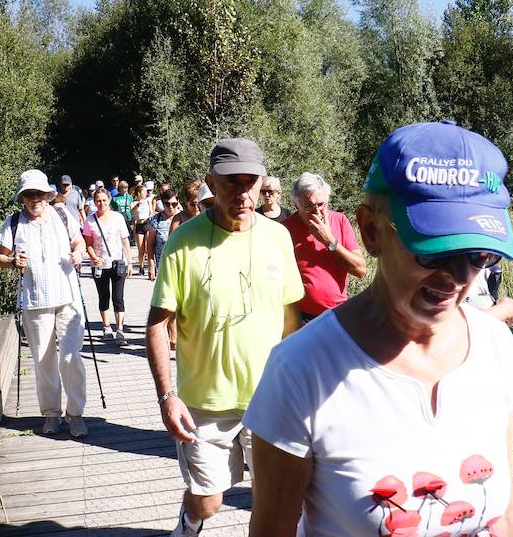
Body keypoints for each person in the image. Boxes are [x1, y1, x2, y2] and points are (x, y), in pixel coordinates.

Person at [244, 121, 513, 537]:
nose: (457, 277)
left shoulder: (495, 348)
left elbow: (506, 513)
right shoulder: (300, 370)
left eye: (479, 255)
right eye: (434, 251)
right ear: (371, 231)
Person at [146, 137, 304, 537]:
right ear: (211, 184)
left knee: (273, 502)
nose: (243, 192)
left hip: (269, 398)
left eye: (251, 182)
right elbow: (155, 324)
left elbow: (291, 321)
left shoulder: (277, 237)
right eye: (232, 182)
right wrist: (167, 396)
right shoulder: (184, 241)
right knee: (209, 500)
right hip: (204, 402)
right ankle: (190, 520)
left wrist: (303, 388)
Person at [0, 170, 89, 438]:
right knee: (44, 360)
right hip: (35, 302)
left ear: (47, 195)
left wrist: (78, 253)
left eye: (39, 193)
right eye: (29, 194)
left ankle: (76, 414)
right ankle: (51, 414)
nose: (35, 199)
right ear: (22, 198)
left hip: (68, 297)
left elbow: (78, 240)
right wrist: (12, 261)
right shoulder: (13, 223)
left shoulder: (61, 215)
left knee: (71, 357)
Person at [283, 172, 367, 322]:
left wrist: (330, 241)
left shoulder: (340, 221)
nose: (317, 212)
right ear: (296, 205)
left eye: (321, 204)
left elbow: (360, 270)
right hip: (300, 317)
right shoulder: (285, 229)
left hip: (337, 314)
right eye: (309, 207)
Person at [83, 188, 133, 345]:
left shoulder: (118, 217)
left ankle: (120, 330)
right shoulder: (90, 220)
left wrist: (130, 262)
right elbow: (88, 244)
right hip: (99, 264)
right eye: (98, 200)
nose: (101, 203)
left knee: (118, 297)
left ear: (109, 200)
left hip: (118, 262)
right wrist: (94, 257)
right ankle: (106, 327)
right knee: (104, 296)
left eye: (104, 200)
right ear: (94, 202)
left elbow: (125, 241)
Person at [145, 188, 180, 281]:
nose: (171, 207)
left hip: (181, 264)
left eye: (174, 204)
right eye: (167, 204)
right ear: (162, 204)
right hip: (163, 266)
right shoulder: (156, 220)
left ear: (178, 203)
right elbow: (150, 244)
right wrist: (151, 265)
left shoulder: (183, 217)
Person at [131, 184, 153, 273]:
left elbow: (151, 212)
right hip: (139, 225)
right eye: (144, 191)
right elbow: (132, 212)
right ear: (139, 193)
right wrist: (138, 205)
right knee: (141, 248)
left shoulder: (148, 201)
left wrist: (150, 215)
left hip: (147, 223)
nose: (146, 193)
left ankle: (150, 266)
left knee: (148, 246)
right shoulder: (134, 202)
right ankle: (141, 266)